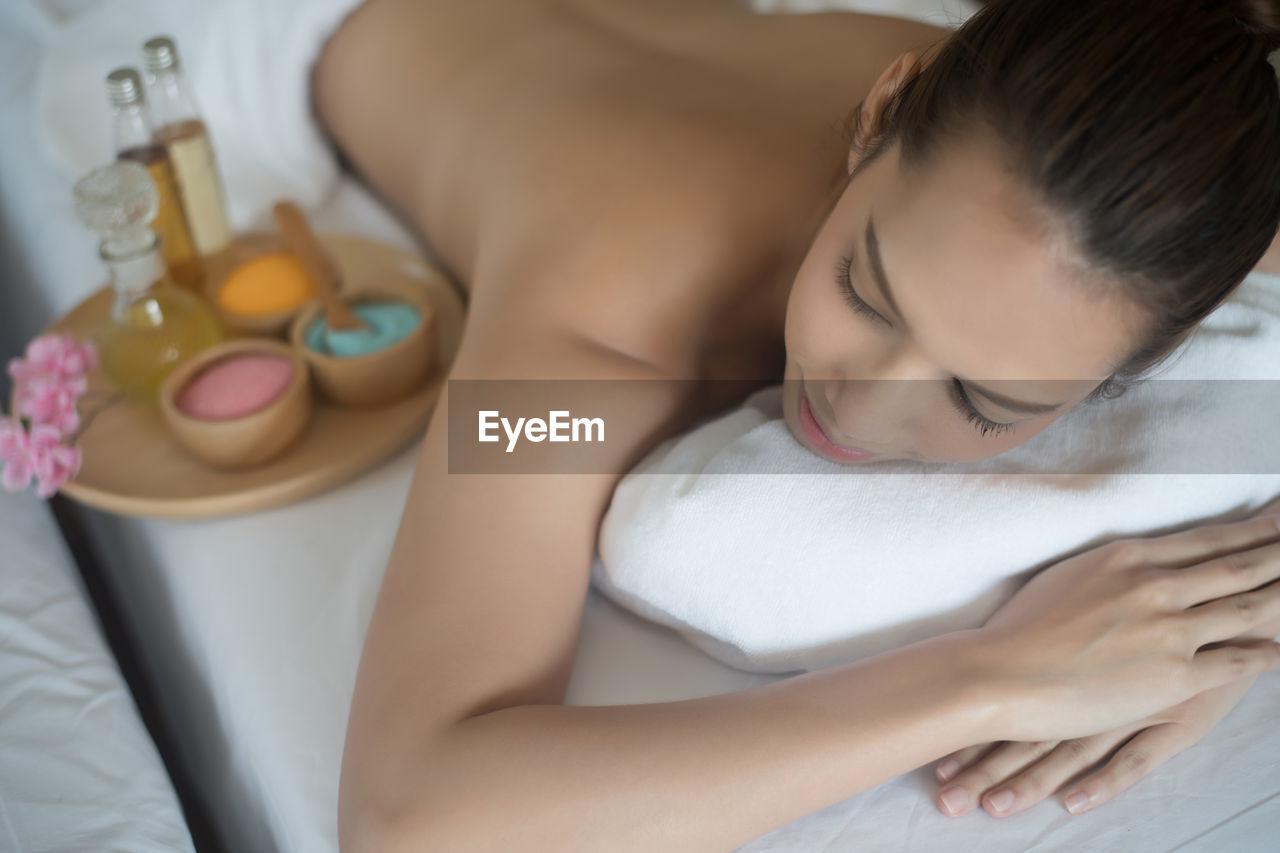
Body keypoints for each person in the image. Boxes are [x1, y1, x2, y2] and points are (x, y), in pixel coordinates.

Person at [311, 0, 1280, 848]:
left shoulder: (1106, 155)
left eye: (981, 401)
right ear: (877, 116)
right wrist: (996, 675)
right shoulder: (588, 355)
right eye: (864, 289)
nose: (859, 408)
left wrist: (1239, 622)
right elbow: (407, 816)